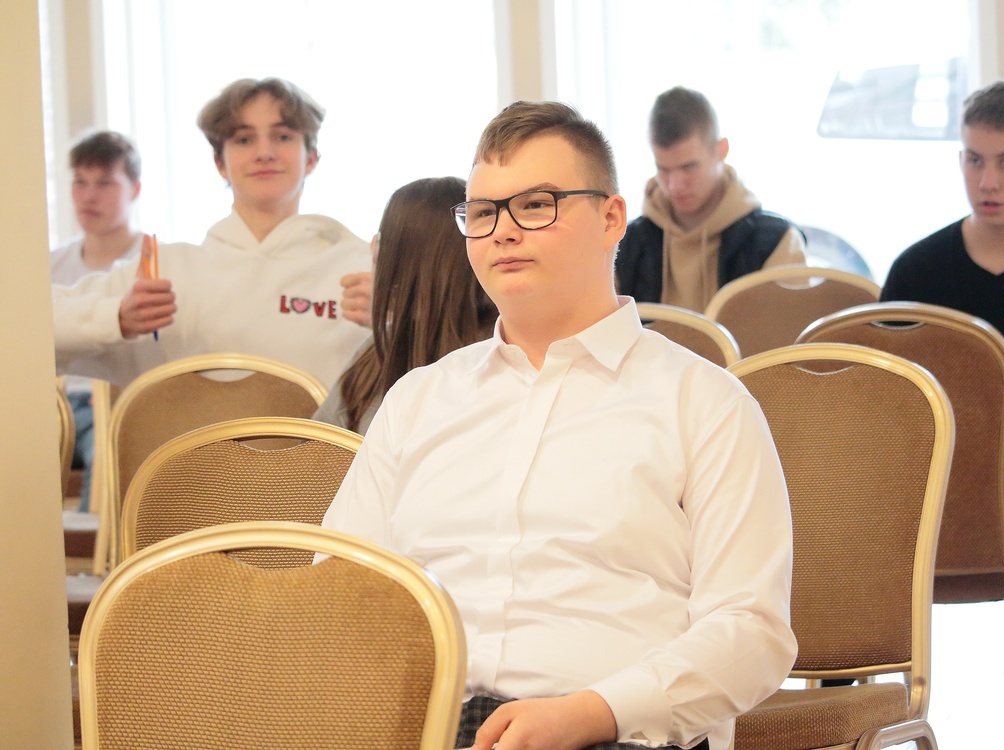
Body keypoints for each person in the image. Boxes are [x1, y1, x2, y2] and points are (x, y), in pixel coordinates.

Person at [320, 101, 796, 750]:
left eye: (536, 205)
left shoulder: (703, 401)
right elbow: (339, 589)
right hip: (420, 725)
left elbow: (750, 632)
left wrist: (593, 713)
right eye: (483, 213)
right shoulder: (418, 401)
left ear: (611, 218)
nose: (503, 232)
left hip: (611, 731)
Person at [51, 77, 371, 389]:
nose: (264, 152)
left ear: (311, 158)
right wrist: (116, 318)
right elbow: (37, 321)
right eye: (244, 139)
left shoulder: (359, 270)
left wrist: (390, 325)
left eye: (283, 136)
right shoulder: (165, 273)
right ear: (220, 162)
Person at [881, 80, 1004, 524]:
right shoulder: (916, 270)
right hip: (944, 467)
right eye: (975, 160)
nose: (988, 182)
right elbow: (884, 400)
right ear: (960, 160)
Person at [313, 176, 497, 433]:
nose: (373, 249)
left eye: (381, 239)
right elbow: (318, 443)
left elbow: (316, 446)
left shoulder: (494, 356)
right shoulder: (380, 345)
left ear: (399, 257)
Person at [615, 86, 805, 313]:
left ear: (721, 150)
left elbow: (788, 333)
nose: (674, 185)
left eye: (689, 167)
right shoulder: (623, 245)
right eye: (663, 169)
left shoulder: (778, 243)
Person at [51, 130, 144, 511]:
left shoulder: (152, 264)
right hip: (51, 400)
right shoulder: (49, 264)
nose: (88, 196)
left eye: (104, 183)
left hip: (114, 404)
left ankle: (98, 545)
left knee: (107, 446)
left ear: (134, 189)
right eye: (80, 182)